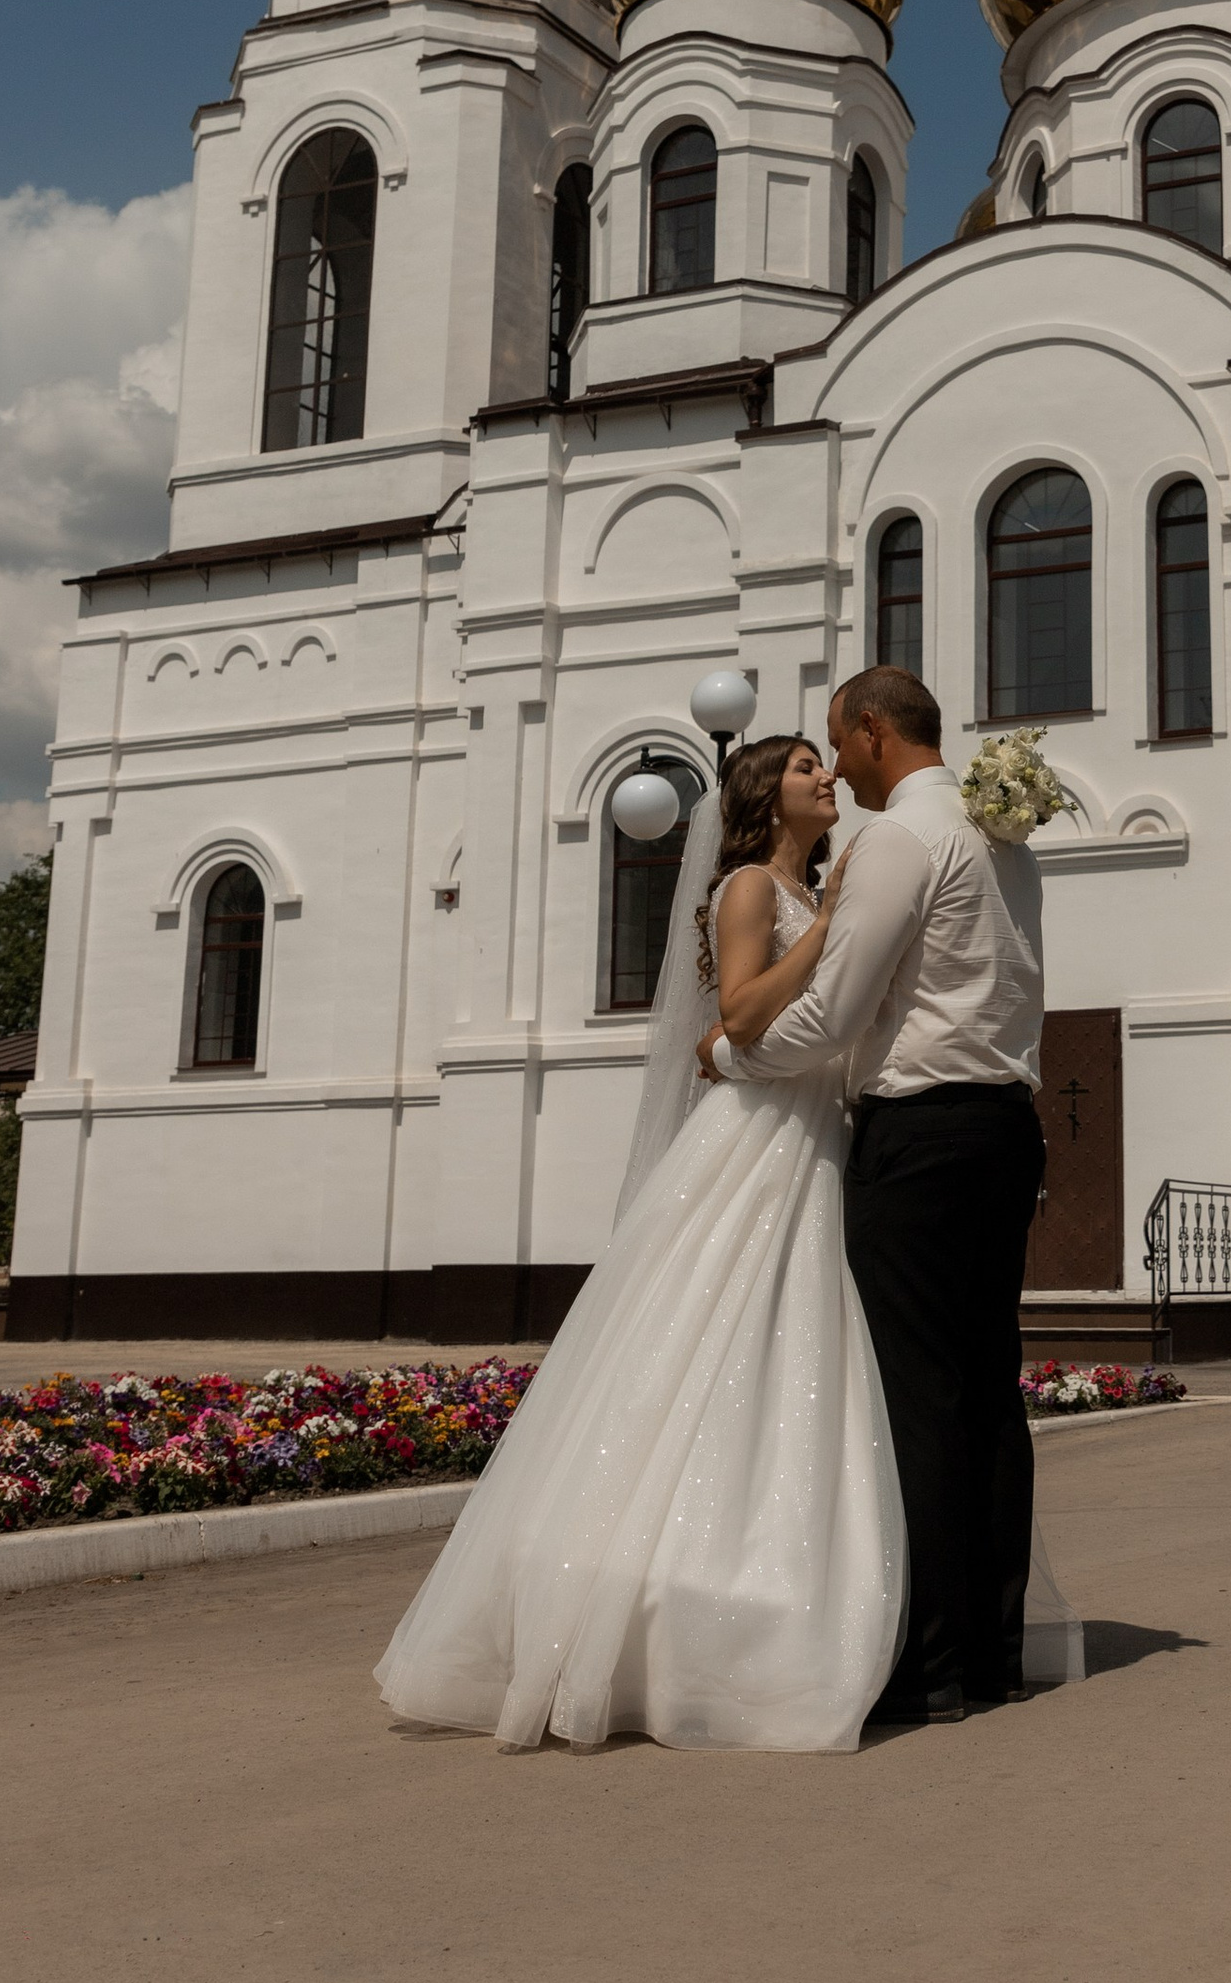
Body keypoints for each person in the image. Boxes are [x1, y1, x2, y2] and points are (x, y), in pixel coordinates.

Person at [374, 735, 904, 1752]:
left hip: (817, 1137)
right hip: (757, 1138)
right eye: (803, 768)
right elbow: (742, 1014)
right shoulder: (750, 885)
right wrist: (828, 931)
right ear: (762, 794)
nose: (825, 778)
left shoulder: (815, 885)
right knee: (700, 1334)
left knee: (785, 1352)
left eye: (823, 766)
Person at [705, 662, 1047, 1725]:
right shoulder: (1002, 838)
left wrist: (731, 1061)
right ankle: (990, 1647)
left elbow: (837, 1012)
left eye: (834, 744)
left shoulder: (898, 840)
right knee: (990, 1392)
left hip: (923, 1134)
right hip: (1005, 1129)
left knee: (923, 1398)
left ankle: (936, 1662)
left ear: (867, 733)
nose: (834, 766)